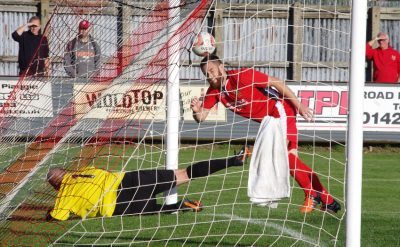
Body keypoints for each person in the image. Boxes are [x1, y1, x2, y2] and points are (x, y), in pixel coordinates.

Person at [191, 54, 341, 214]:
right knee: (290, 160)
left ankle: (312, 194)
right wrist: (195, 111)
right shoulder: (214, 91)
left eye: (212, 71)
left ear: (221, 67)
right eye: (206, 74)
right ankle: (328, 201)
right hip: (269, 122)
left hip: (281, 109)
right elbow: (201, 118)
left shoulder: (242, 76)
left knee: (284, 157)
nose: (210, 76)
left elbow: (276, 82)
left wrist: (299, 105)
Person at [46, 146, 250, 221]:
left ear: (56, 186)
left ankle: (182, 205)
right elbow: (104, 172)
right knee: (184, 173)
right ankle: (234, 161)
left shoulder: (63, 196)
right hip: (130, 180)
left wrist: (49, 214)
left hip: (118, 205)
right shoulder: (85, 172)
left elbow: (56, 217)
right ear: (67, 172)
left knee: (155, 209)